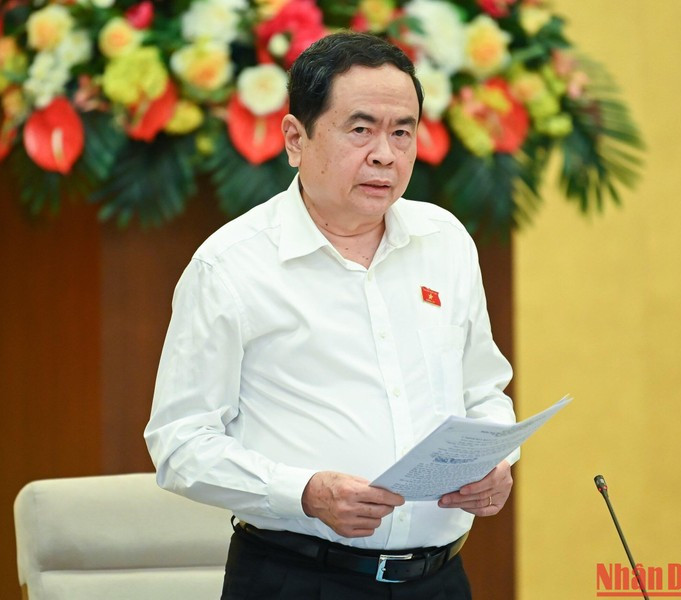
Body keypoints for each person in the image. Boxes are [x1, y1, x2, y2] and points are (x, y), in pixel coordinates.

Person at [145, 31, 517, 599]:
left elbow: (484, 390)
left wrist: (496, 462)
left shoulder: (445, 242)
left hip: (439, 580)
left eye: (402, 132)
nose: (385, 154)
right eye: (361, 129)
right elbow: (180, 444)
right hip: (297, 580)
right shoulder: (230, 265)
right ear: (296, 139)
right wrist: (304, 492)